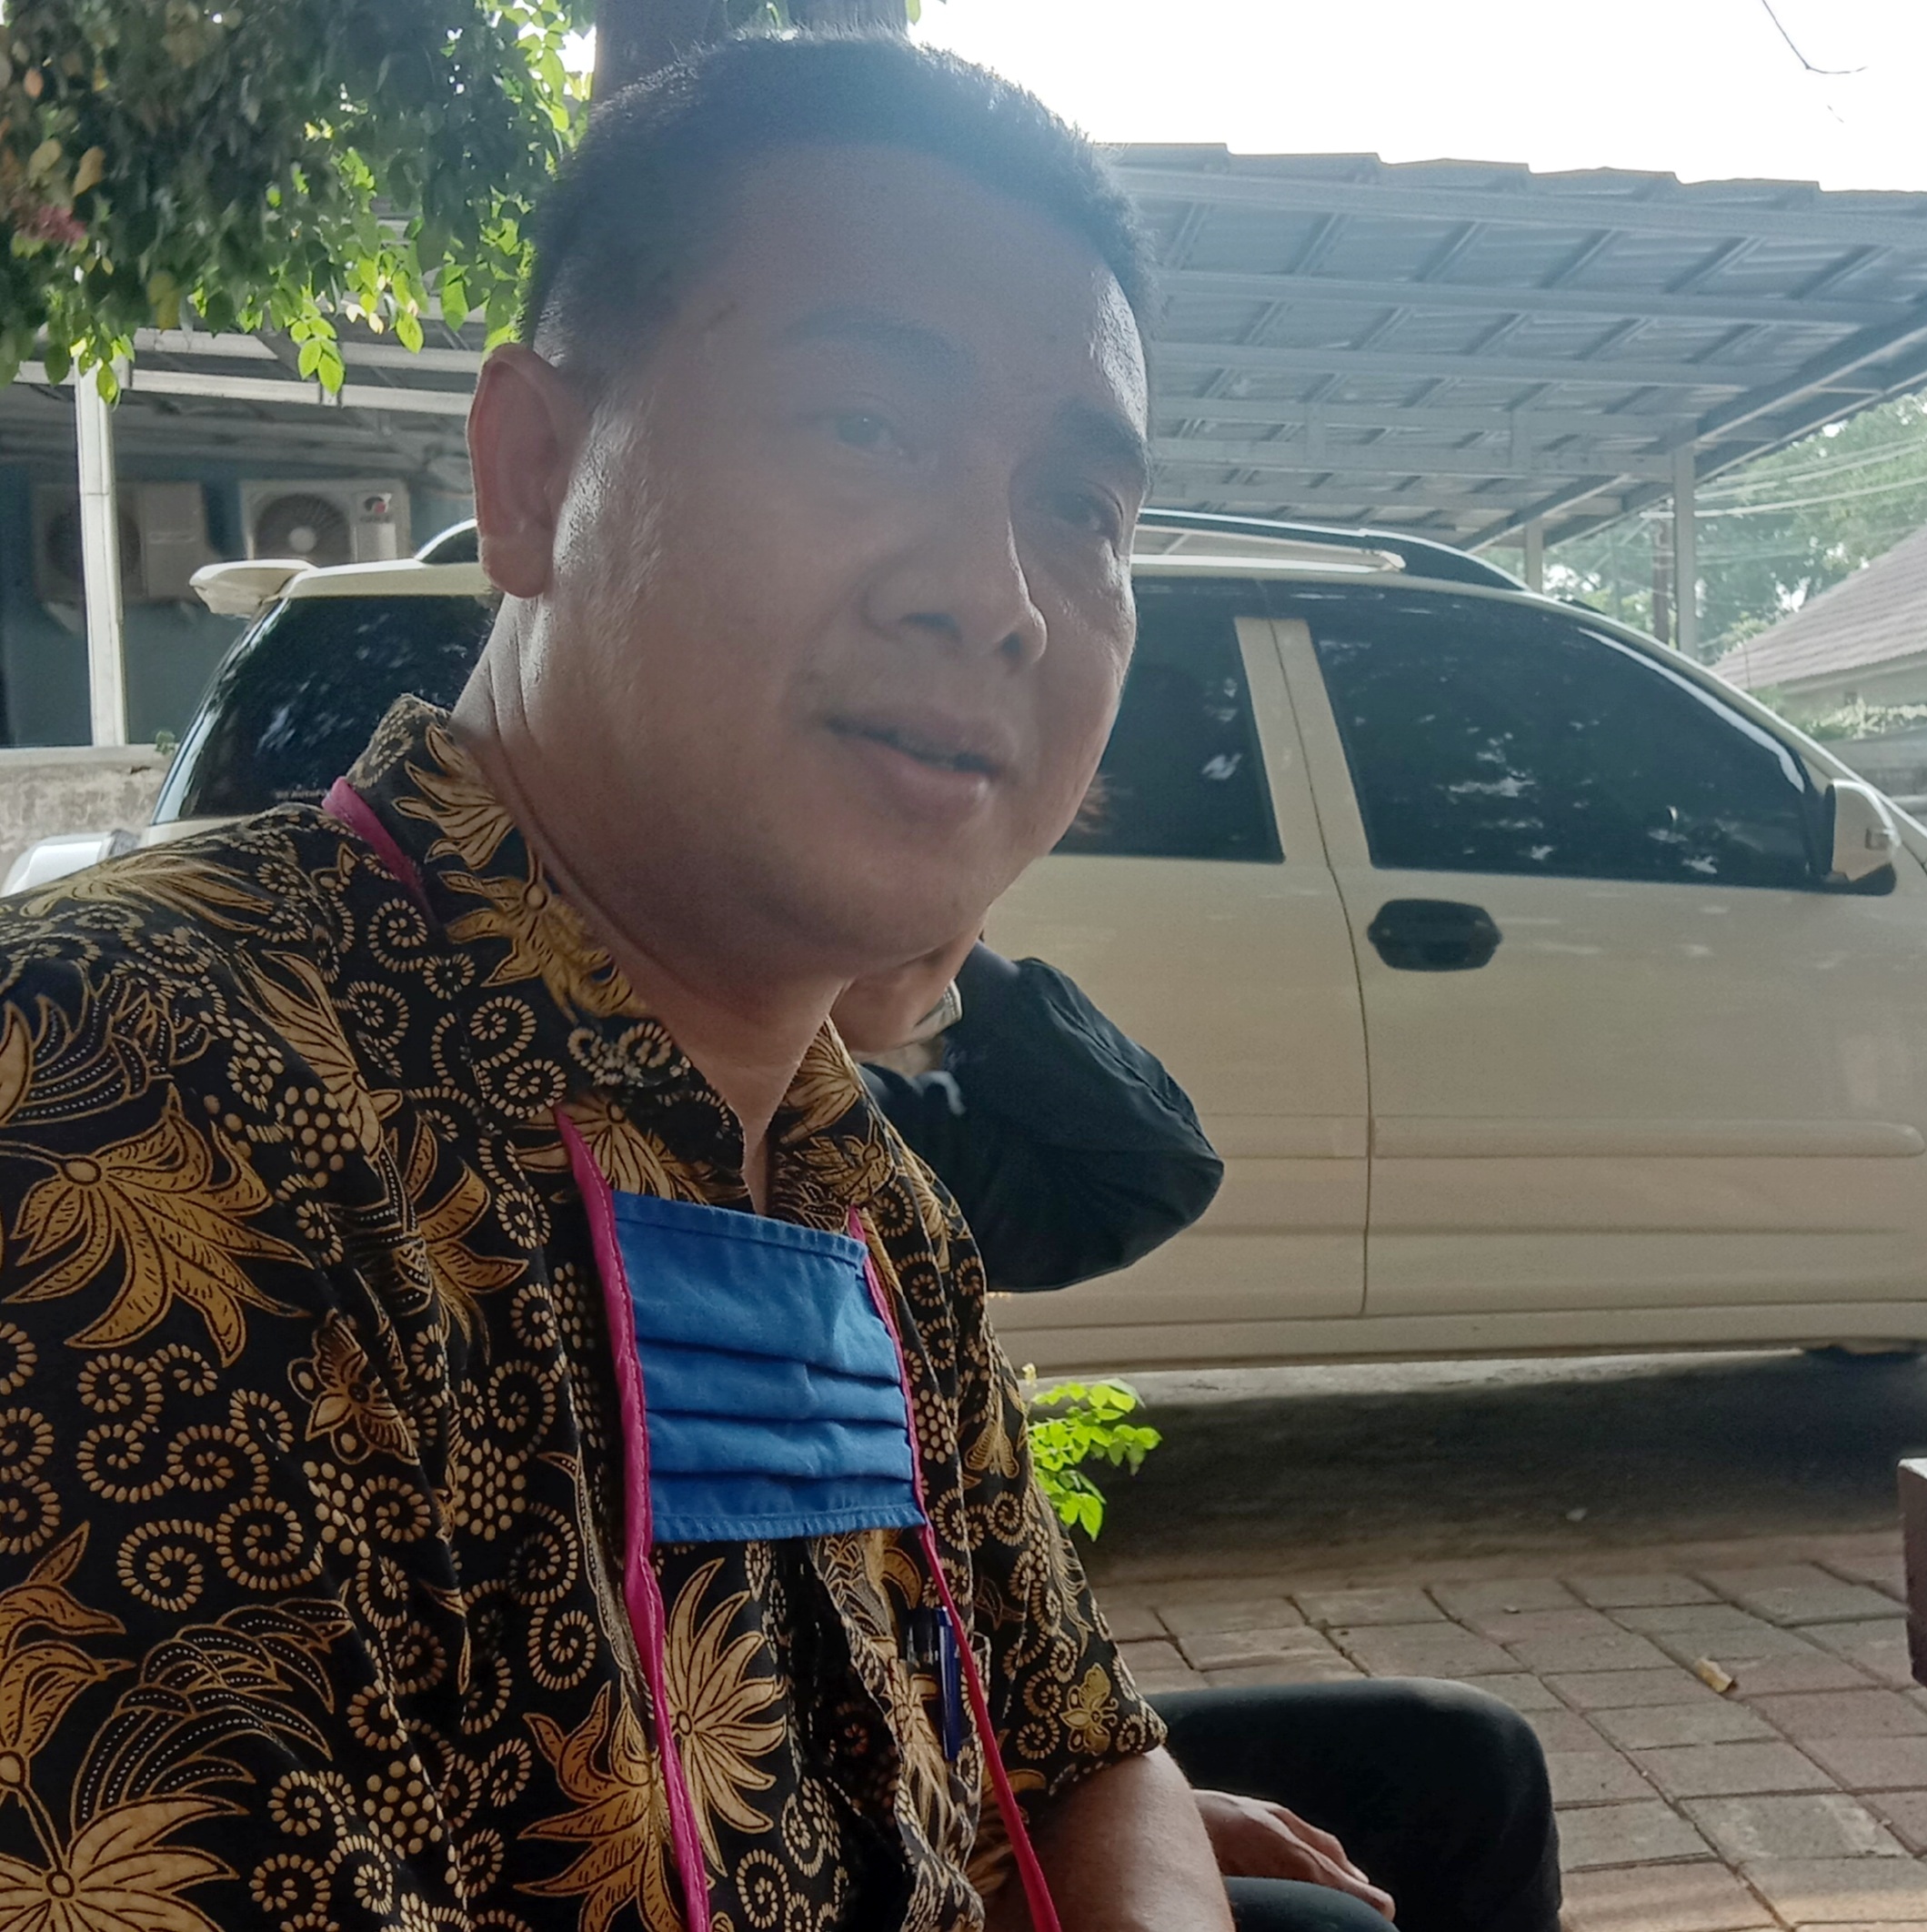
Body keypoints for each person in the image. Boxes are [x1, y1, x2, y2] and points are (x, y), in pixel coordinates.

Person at [0, 35, 1226, 1932]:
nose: (996, 595)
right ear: (534, 473)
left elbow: (1078, 1743)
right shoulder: (125, 1091)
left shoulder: (862, 1196)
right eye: (864, 427)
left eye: (1082, 508)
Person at [839, 950, 1567, 1932]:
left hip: (983, 1737)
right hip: (851, 1804)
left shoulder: (862, 1141)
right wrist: (1105, 1827)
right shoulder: (652, 1189)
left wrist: (937, 951)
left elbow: (1146, 1172)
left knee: (1465, 1753)